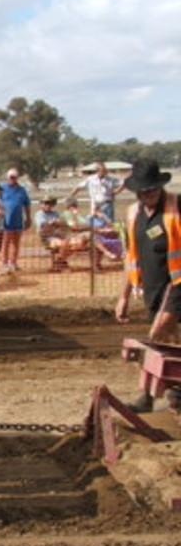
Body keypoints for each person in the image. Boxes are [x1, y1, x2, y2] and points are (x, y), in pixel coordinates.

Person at [115, 160, 181, 411]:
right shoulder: (134, 214)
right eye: (142, 192)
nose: (147, 195)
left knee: (157, 336)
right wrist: (124, 297)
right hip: (152, 288)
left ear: (160, 187)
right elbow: (130, 257)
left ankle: (145, 398)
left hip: (177, 284)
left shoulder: (177, 206)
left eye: (151, 190)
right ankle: (177, 393)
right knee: (172, 342)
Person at [0, 168, 31, 274]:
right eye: (11, 177)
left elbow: (26, 204)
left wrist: (28, 218)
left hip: (18, 219)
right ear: (7, 177)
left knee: (16, 242)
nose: (12, 179)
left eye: (14, 177)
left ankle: (13, 262)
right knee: (6, 242)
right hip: (5, 220)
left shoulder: (22, 190)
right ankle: (4, 263)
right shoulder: (2, 188)